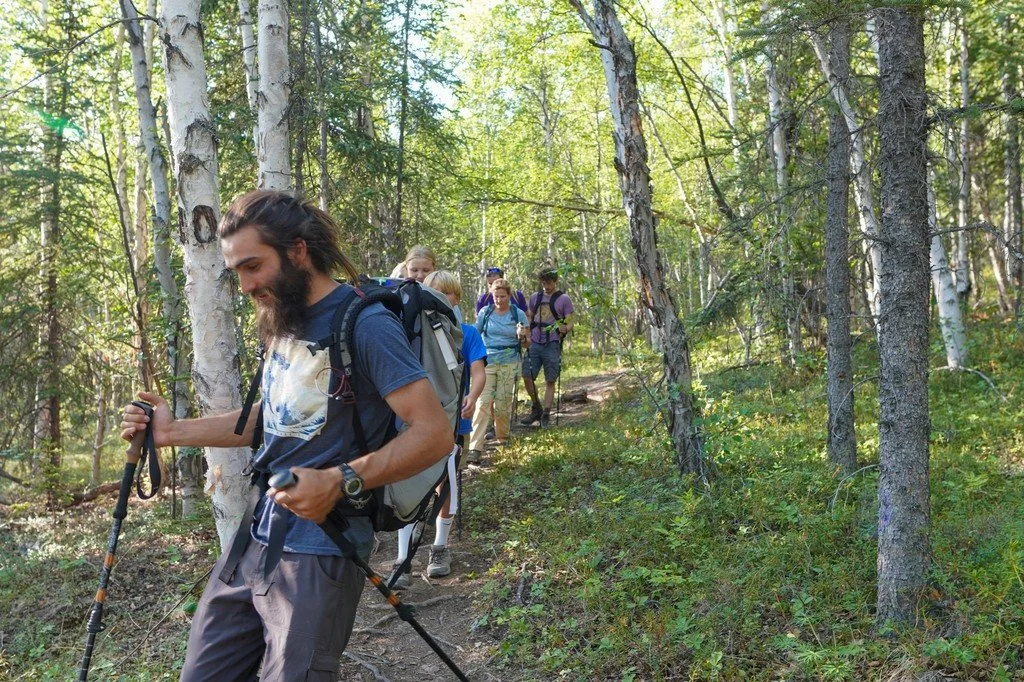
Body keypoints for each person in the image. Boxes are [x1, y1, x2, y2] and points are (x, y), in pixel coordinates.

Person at [119, 191, 453, 682]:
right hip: (257, 534)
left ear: (297, 251)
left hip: (323, 548)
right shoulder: (284, 318)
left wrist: (340, 480)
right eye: (236, 272)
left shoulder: (366, 323)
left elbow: (434, 434)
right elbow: (277, 417)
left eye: (253, 266)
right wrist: (171, 432)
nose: (246, 285)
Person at [384, 270, 485, 581]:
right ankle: (403, 557)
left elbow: (478, 371)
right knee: (407, 482)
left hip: (453, 424)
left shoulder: (467, 333)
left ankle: (439, 547)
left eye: (447, 294)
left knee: (447, 481)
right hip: (411, 425)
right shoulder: (409, 333)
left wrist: (473, 394)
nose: (441, 300)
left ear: (456, 299)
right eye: (434, 293)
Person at [468, 278, 529, 463]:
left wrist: (523, 336)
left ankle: (503, 438)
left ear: (509, 296)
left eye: (503, 296)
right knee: (482, 402)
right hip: (487, 361)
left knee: (502, 402)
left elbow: (527, 343)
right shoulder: (485, 313)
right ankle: (474, 448)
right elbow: (475, 334)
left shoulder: (517, 314)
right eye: (496, 296)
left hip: (510, 361)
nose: (499, 300)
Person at [521, 268, 574, 428]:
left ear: (555, 281)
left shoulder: (564, 299)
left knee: (550, 379)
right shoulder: (535, 297)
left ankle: (546, 413)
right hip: (535, 342)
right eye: (543, 283)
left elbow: (570, 321)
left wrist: (566, 328)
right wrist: (526, 334)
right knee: (527, 375)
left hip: (552, 342)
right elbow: (530, 317)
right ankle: (536, 406)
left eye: (549, 283)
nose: (546, 286)